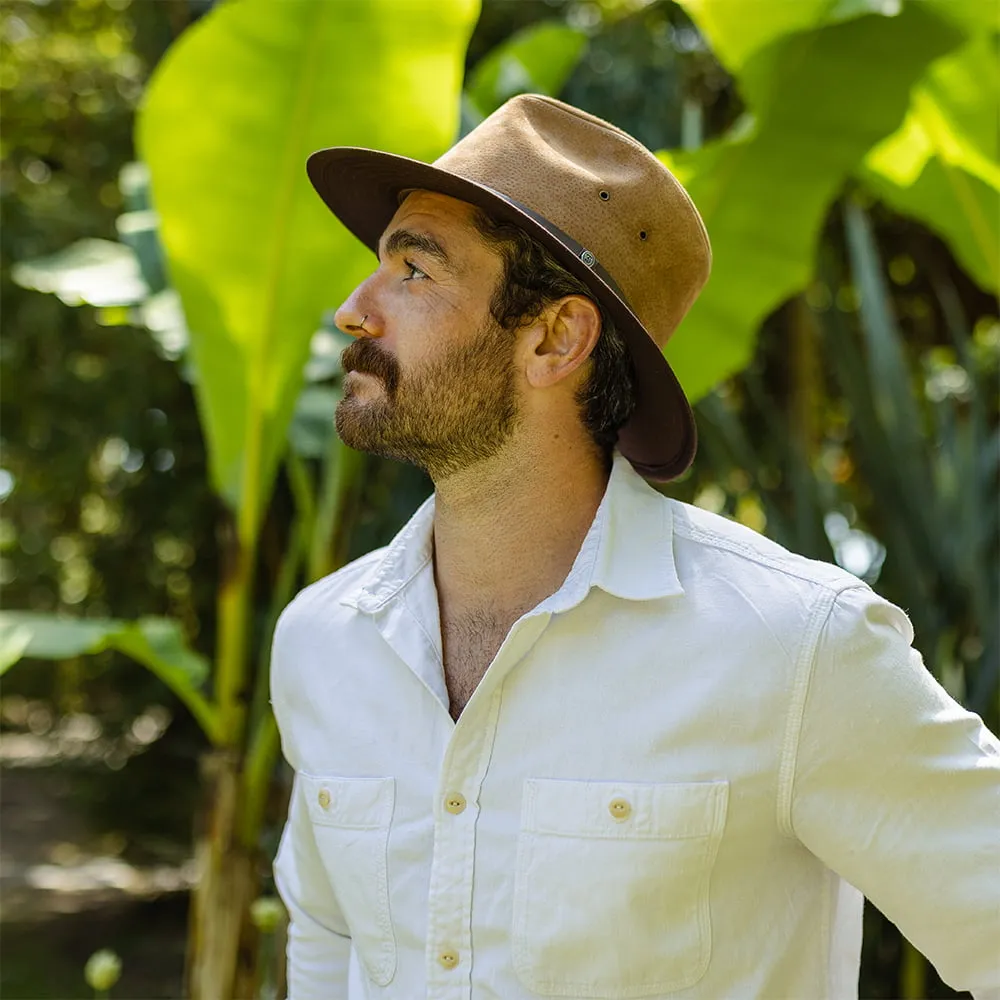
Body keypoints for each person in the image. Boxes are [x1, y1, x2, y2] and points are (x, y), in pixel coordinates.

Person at [269, 94, 1000, 999]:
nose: (353, 310)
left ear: (555, 338)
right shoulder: (322, 640)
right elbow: (330, 944)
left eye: (414, 271)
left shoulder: (797, 648)